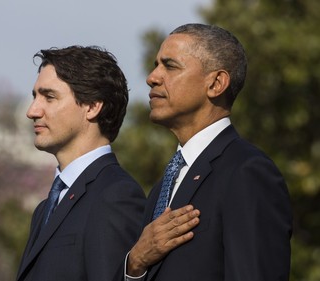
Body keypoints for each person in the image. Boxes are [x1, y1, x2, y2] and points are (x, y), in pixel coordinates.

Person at [125, 23, 293, 281]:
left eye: (170, 66)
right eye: (156, 64)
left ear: (216, 83)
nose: (152, 77)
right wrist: (135, 264)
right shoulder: (163, 187)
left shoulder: (247, 172)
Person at [15, 45, 149, 281]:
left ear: (92, 106)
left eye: (49, 97)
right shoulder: (44, 210)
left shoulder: (115, 196)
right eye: (35, 96)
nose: (32, 111)